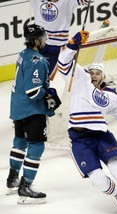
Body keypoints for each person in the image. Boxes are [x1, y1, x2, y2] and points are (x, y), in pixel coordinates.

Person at [57, 30, 117, 214]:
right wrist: (72, 45)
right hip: (79, 140)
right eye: (91, 72)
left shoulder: (112, 96)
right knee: (98, 180)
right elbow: (62, 63)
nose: (94, 75)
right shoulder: (79, 78)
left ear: (103, 77)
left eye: (98, 73)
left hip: (101, 136)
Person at [6, 24, 61, 204]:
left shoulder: (23, 54)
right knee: (36, 146)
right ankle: (26, 186)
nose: (45, 40)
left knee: (20, 142)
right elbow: (33, 91)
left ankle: (13, 179)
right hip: (31, 109)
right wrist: (48, 94)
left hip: (18, 107)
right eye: (43, 37)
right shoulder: (38, 60)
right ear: (36, 41)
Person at [30, 0, 89, 77]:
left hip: (56, 48)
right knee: (30, 75)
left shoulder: (68, 1)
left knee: (43, 77)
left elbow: (87, 1)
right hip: (37, 45)